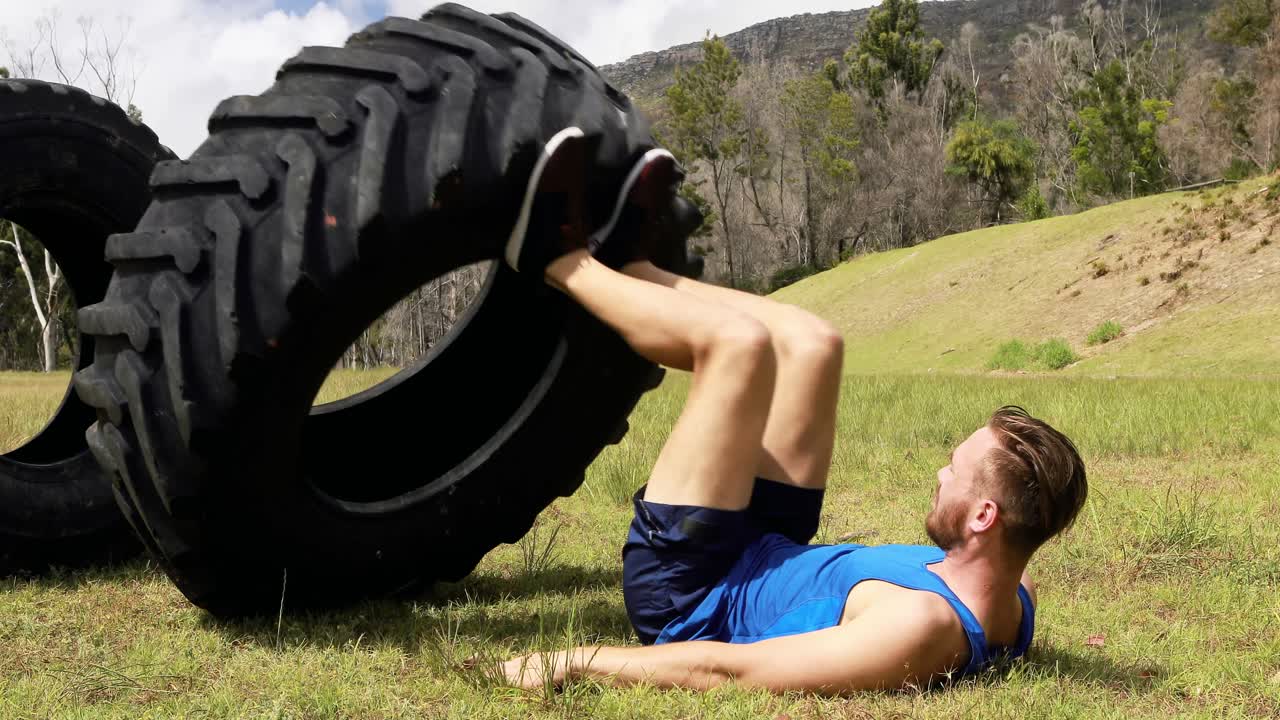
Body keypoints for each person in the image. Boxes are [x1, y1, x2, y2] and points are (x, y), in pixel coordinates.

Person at [496, 130, 1089, 695]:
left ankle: (557, 259)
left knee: (737, 345)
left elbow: (733, 672)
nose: (940, 473)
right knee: (815, 344)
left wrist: (573, 660)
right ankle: (635, 269)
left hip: (693, 591)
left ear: (984, 515)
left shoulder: (921, 628)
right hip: (767, 545)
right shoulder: (1014, 587)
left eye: (954, 470)